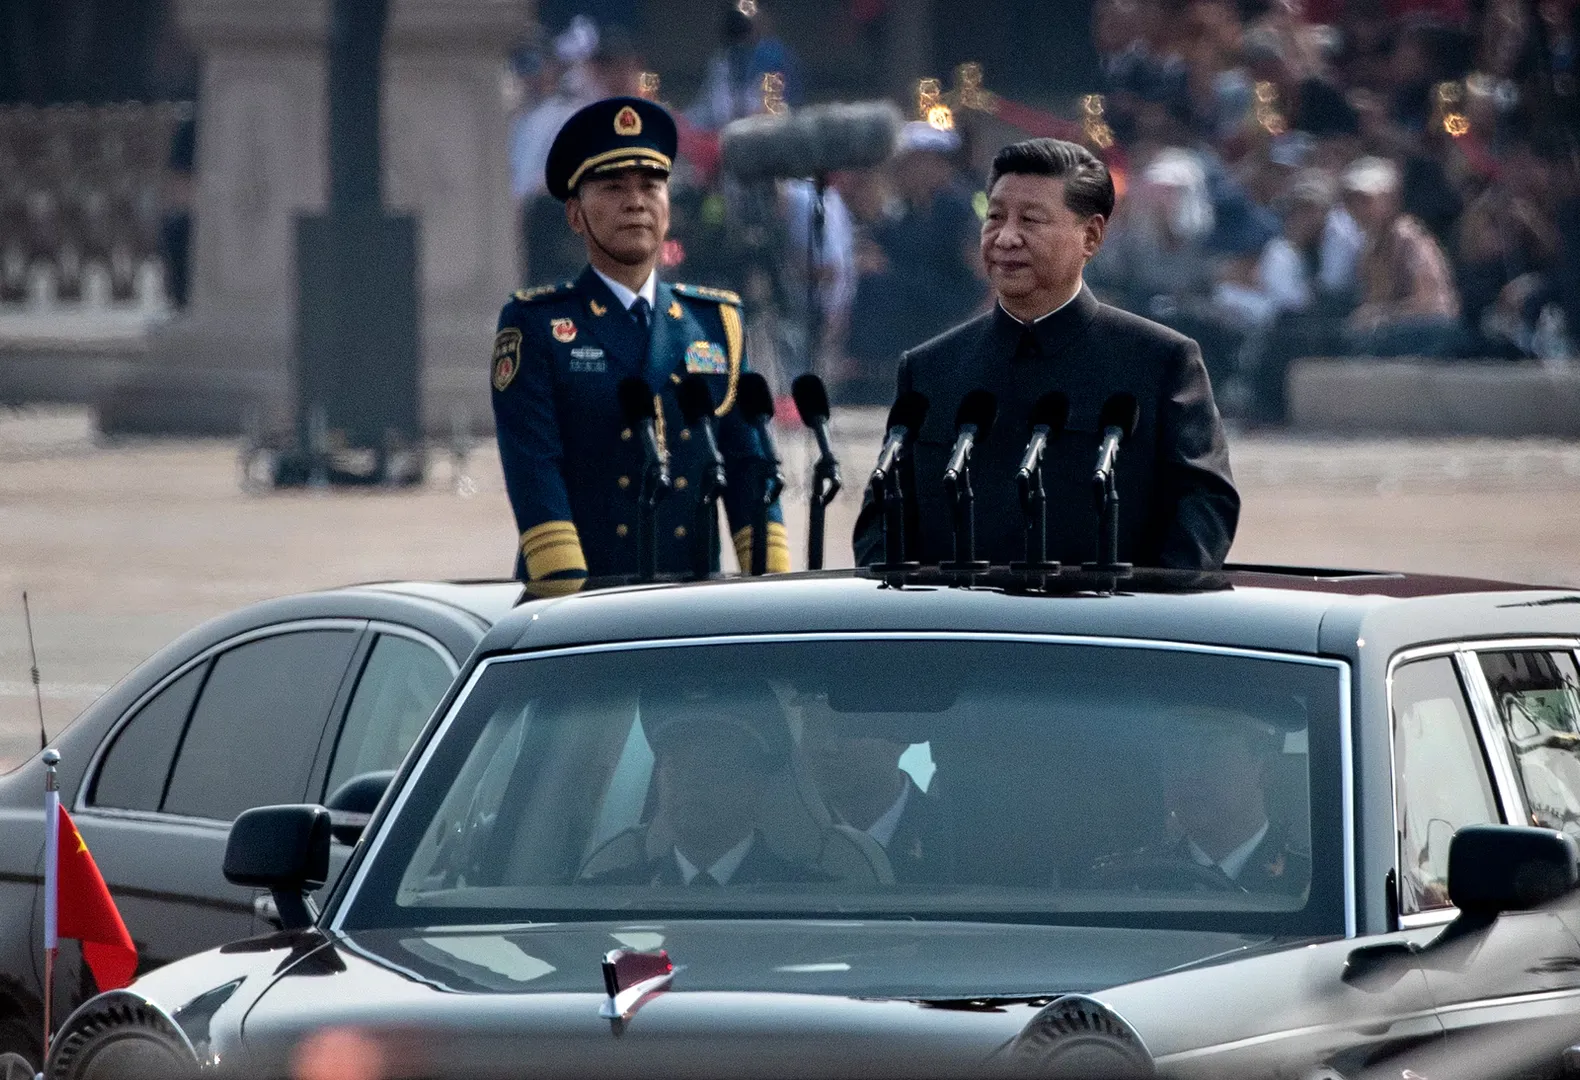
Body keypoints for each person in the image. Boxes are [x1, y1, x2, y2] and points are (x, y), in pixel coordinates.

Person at [852, 137, 1240, 571]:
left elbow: (1203, 516)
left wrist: (1138, 616)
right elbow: (881, 530)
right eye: (994, 217)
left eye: (1031, 220)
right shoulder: (929, 371)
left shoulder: (1160, 362)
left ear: (1090, 236)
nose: (1006, 237)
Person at [493, 96, 789, 596]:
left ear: (668, 208)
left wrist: (773, 588)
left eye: (651, 186)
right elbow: (534, 469)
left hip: (690, 601)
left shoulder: (714, 323)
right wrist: (565, 592)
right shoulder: (537, 325)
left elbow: (746, 463)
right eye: (612, 188)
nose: (635, 202)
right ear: (574, 215)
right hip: (584, 600)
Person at [584, 682, 831, 886]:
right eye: (675, 765)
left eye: (714, 765)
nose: (690, 781)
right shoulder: (606, 895)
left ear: (756, 785)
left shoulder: (813, 896)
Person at [1085, 708, 1310, 896]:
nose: (1188, 774)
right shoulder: (1129, 880)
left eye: (1210, 756)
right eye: (1176, 757)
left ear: (1265, 771)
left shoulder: (1312, 882)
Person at [801, 703, 955, 884]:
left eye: (847, 731)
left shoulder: (957, 841)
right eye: (812, 727)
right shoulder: (783, 836)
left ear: (899, 740)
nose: (826, 747)